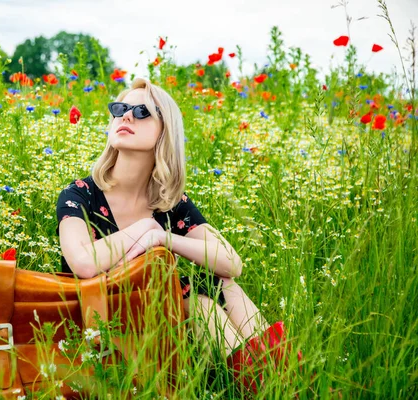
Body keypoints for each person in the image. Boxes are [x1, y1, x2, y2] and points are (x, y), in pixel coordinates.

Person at [55, 77, 298, 393]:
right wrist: (144, 228)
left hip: (157, 318)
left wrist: (164, 239)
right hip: (97, 321)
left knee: (222, 290)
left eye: (143, 112)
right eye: (120, 109)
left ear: (164, 133)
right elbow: (83, 264)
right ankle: (274, 389)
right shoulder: (80, 194)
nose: (127, 116)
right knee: (200, 304)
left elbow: (231, 263)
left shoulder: (169, 202)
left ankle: (285, 386)